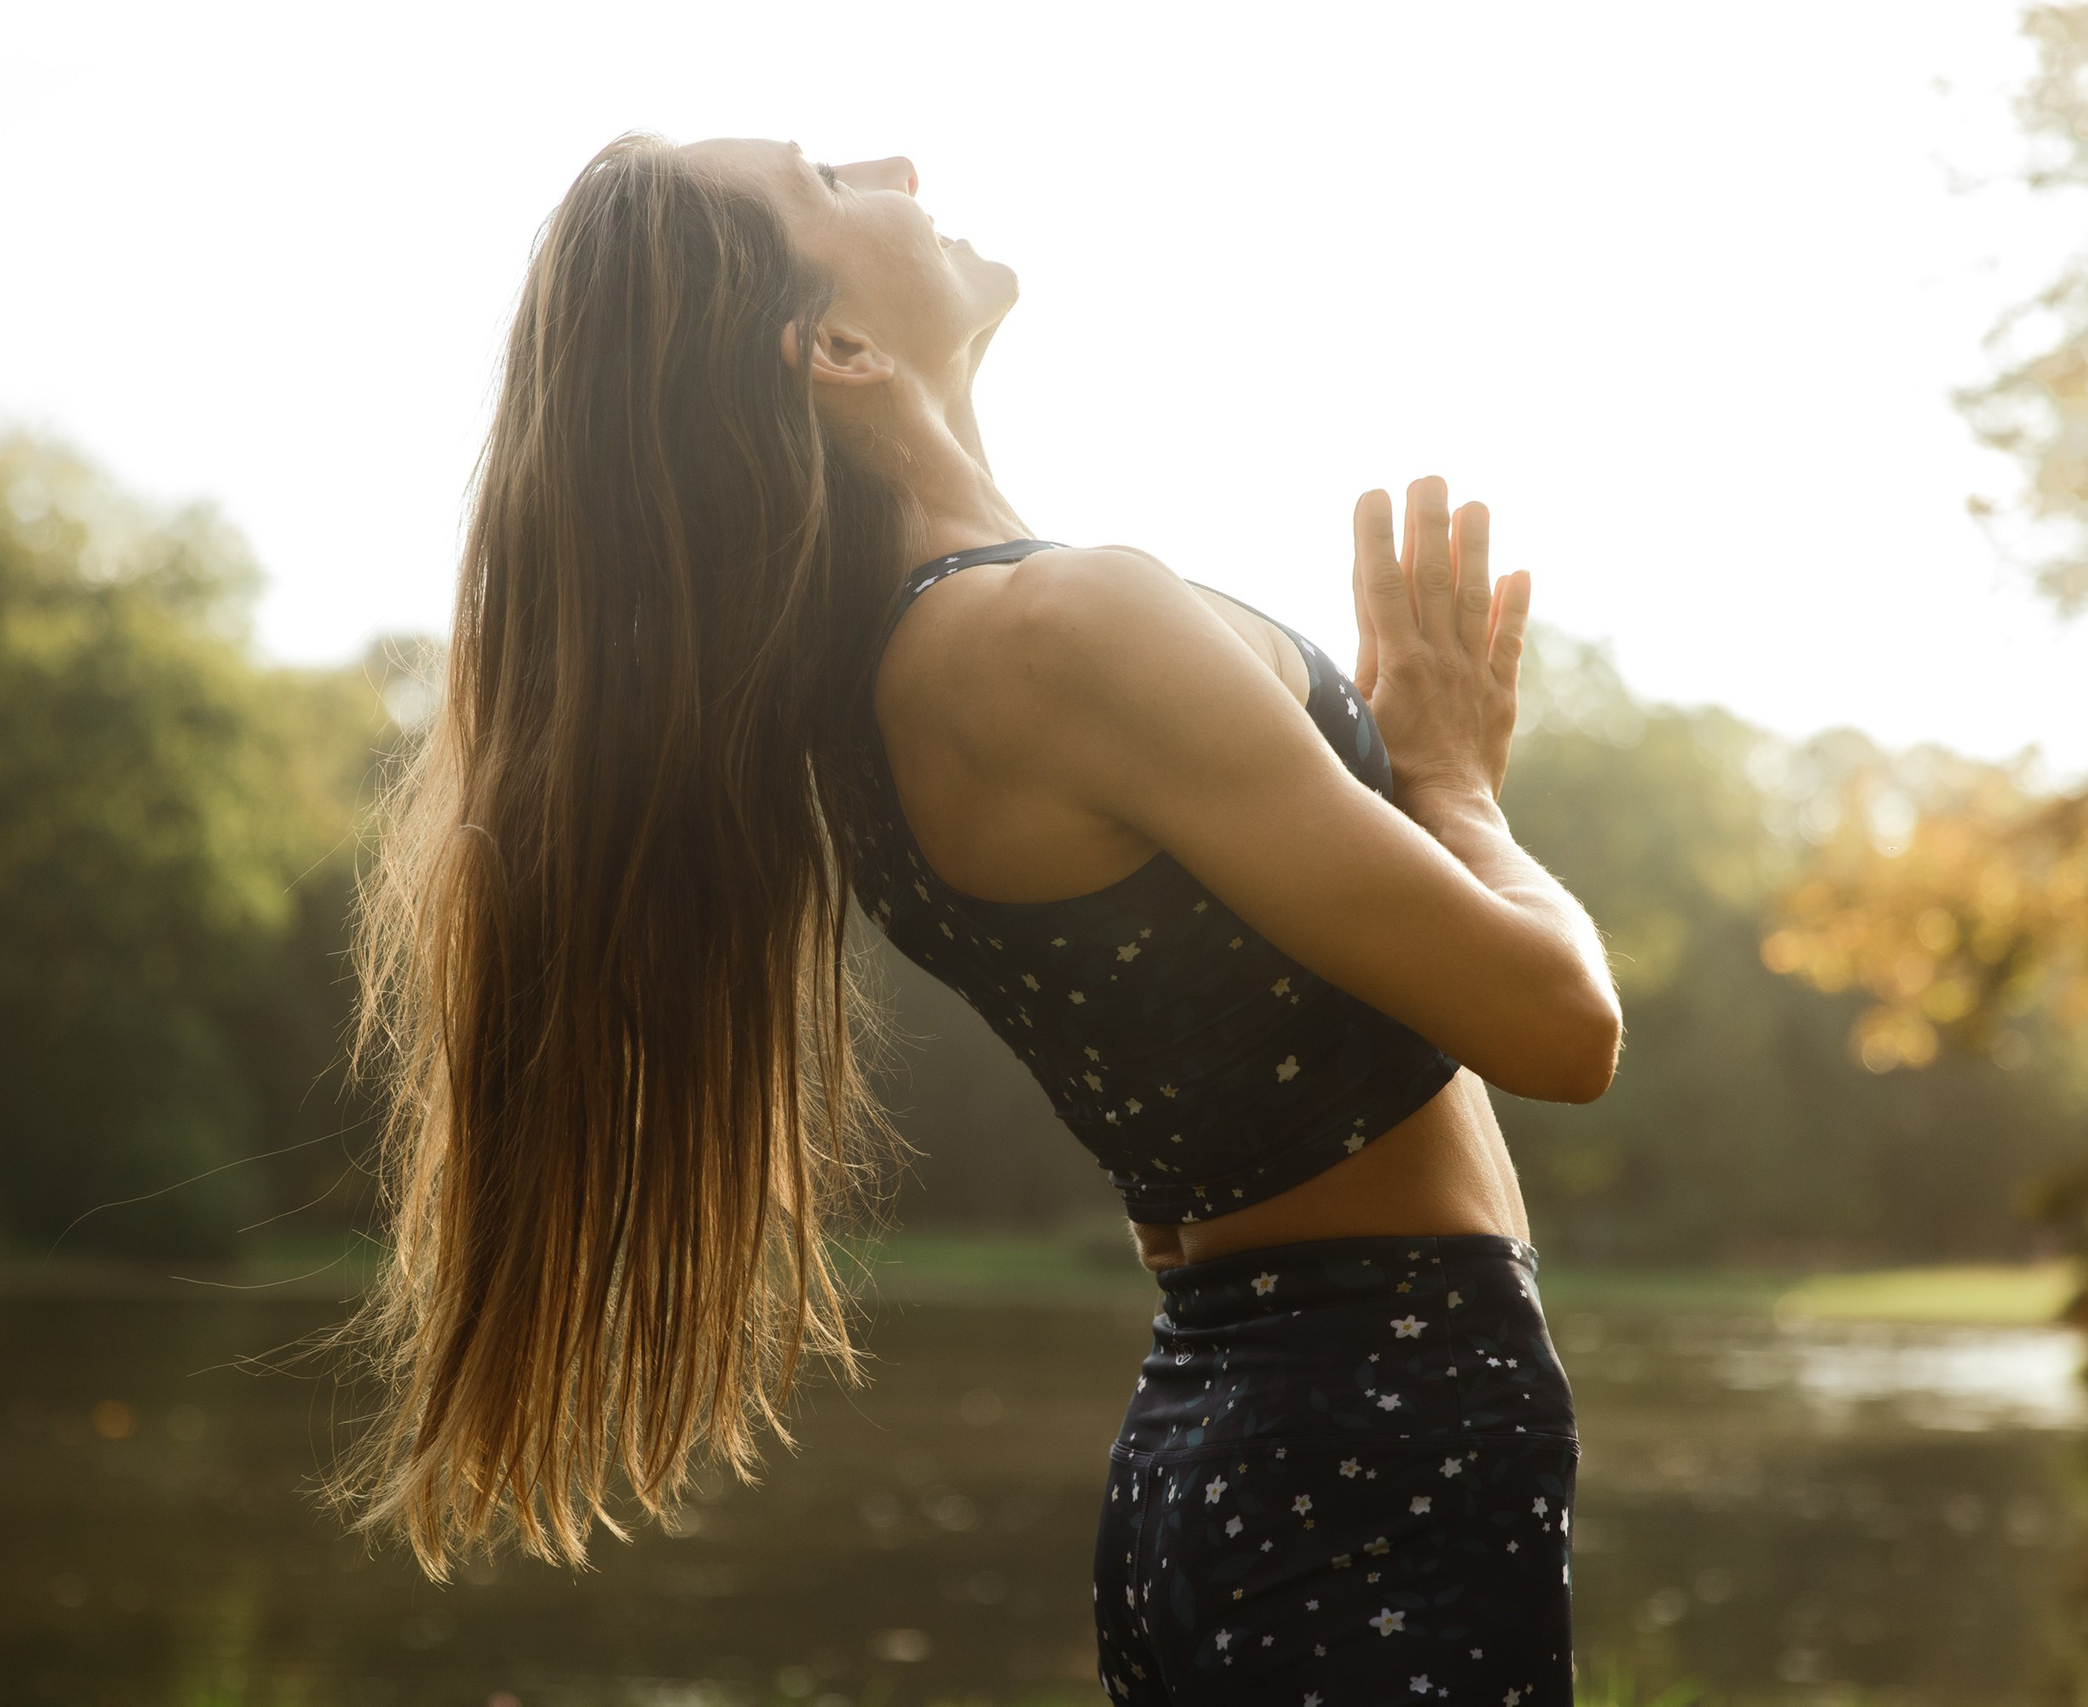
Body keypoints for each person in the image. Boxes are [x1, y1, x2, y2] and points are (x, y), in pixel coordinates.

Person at [343, 132, 1620, 1706]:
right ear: (839, 350)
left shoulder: (904, 683)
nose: (896, 165)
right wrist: (1456, 782)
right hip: (1369, 1438)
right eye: (825, 178)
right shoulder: (1048, 629)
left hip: (1256, 1434)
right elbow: (1562, 1027)